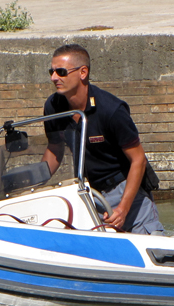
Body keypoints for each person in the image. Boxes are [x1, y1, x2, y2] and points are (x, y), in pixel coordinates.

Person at [41, 44, 165, 234]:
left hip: (124, 190)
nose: (53, 78)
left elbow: (138, 159)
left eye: (61, 72)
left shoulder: (111, 110)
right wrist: (33, 184)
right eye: (52, 71)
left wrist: (123, 209)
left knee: (150, 246)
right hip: (87, 192)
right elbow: (55, 149)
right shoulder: (53, 106)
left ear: (83, 72)